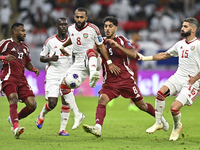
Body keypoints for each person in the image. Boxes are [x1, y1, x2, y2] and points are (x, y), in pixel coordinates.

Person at [82, 16, 169, 138]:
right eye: (105, 26)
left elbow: (133, 54)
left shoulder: (122, 40)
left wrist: (117, 46)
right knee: (102, 100)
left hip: (126, 80)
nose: (107, 28)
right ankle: (97, 128)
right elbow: (93, 54)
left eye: (110, 26)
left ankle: (161, 120)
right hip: (110, 82)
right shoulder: (100, 42)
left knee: (142, 105)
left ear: (116, 28)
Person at [138, 17, 200, 141]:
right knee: (160, 93)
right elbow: (165, 54)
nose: (182, 28)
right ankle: (158, 122)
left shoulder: (198, 44)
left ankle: (177, 126)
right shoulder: (180, 44)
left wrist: (196, 78)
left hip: (192, 82)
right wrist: (145, 58)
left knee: (174, 108)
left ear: (193, 29)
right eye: (182, 26)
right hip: (178, 76)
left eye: (186, 26)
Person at [58, 8, 120, 128]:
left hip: (94, 59)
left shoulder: (93, 28)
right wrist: (62, 46)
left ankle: (93, 75)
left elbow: (101, 46)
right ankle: (77, 114)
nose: (79, 19)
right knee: (63, 85)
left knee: (91, 50)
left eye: (82, 17)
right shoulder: (71, 28)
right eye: (77, 17)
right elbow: (74, 38)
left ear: (86, 18)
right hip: (79, 63)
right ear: (74, 17)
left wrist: (109, 61)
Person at [36, 18, 79, 135]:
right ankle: (42, 114)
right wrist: (50, 58)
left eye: (65, 24)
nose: (63, 26)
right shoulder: (50, 41)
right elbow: (41, 57)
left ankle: (62, 129)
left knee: (66, 101)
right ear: (57, 26)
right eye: (61, 24)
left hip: (67, 76)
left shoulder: (72, 41)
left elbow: (77, 56)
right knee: (52, 103)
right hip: (53, 75)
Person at [0, 23, 39, 139]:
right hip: (8, 77)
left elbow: (27, 62)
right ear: (14, 32)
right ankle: (16, 127)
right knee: (13, 98)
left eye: (25, 31)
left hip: (22, 79)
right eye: (22, 31)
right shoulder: (5, 43)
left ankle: (13, 118)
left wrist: (33, 69)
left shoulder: (25, 47)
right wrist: (4, 58)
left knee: (32, 105)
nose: (25, 33)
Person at [128, 31, 141, 111]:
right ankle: (112, 98)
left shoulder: (137, 45)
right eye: (138, 35)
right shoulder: (128, 43)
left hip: (134, 67)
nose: (139, 37)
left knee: (134, 85)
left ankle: (131, 104)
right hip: (128, 66)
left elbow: (135, 56)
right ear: (133, 35)